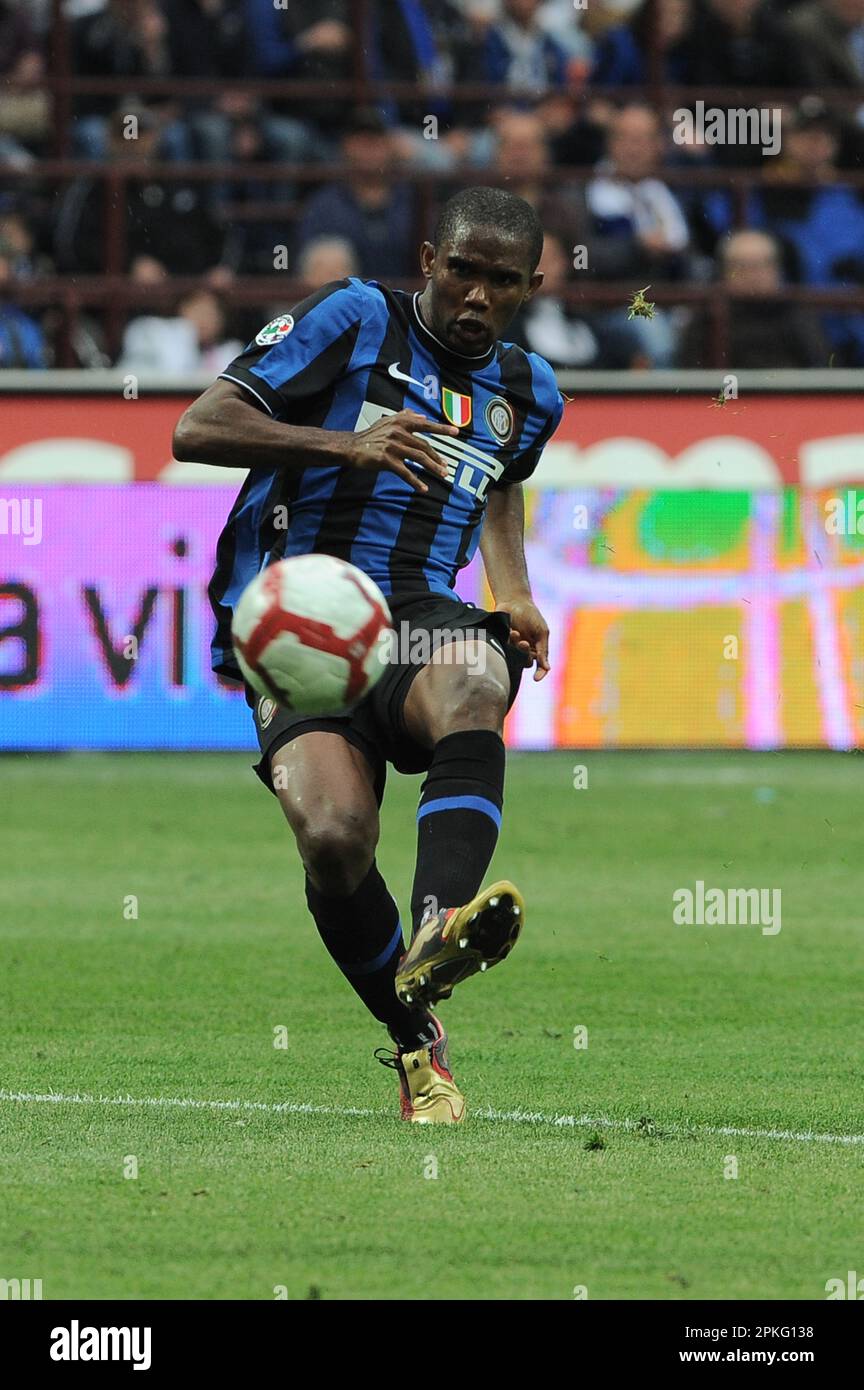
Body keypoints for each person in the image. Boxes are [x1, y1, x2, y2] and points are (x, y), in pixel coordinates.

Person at [173, 187, 564, 1124]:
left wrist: (511, 590)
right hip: (302, 615)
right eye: (462, 270)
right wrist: (344, 444)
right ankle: (417, 1044)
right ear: (429, 259)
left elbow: (500, 485)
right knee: (336, 836)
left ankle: (437, 924)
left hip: (421, 613)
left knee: (476, 678)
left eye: (500, 282)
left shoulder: (529, 390)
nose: (476, 295)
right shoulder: (354, 317)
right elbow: (198, 427)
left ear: (531, 287)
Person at [678, 229, 830, 368]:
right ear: (725, 272)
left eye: (762, 264)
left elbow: (820, 365)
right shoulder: (709, 318)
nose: (753, 274)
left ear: (777, 269)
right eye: (742, 266)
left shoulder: (798, 315)